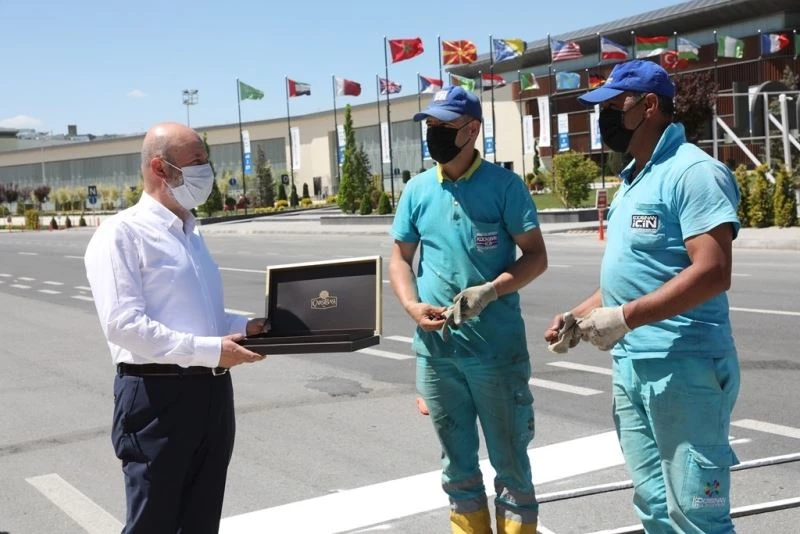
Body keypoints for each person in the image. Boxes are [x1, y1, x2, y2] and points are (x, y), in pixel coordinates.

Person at [545, 60, 741, 534]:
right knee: (654, 507)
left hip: (684, 365)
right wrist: (580, 315)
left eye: (614, 106)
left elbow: (713, 271)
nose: (604, 118)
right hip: (633, 367)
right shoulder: (633, 178)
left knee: (697, 517)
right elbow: (635, 276)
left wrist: (625, 318)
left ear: (649, 105)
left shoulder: (693, 172)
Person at [84, 122, 268, 534]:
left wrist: (246, 327)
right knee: (153, 523)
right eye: (197, 161)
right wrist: (210, 351)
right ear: (159, 168)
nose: (207, 170)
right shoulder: (122, 233)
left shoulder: (190, 233)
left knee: (201, 521)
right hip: (157, 398)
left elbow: (203, 319)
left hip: (211, 394)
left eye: (207, 160)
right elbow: (123, 325)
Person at [390, 86, 548, 534]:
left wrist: (491, 291)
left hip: (496, 352)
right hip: (438, 355)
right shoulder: (418, 190)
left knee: (511, 467)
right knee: (457, 470)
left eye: (444, 125)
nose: (434, 134)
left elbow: (536, 256)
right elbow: (400, 258)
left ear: (472, 129)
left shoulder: (504, 186)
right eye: (430, 125)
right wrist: (411, 304)